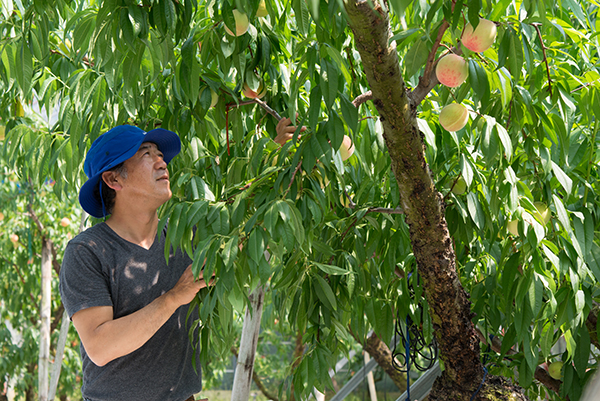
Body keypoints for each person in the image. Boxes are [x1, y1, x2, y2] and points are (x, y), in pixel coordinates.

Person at [60, 119, 303, 401]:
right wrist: (175, 296)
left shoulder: (186, 235)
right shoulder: (88, 251)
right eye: (146, 155)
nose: (162, 163)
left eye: (160, 155)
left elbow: (243, 217)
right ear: (114, 179)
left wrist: (275, 153)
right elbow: (100, 346)